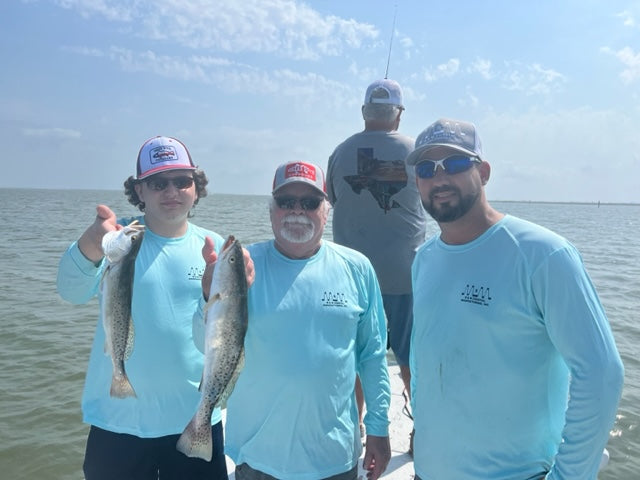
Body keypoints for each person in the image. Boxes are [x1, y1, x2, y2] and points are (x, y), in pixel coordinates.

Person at [406, 118, 625, 479]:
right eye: (427, 168)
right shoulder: (424, 259)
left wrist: (568, 475)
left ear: (485, 172)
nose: (439, 178)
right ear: (417, 181)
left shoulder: (545, 254)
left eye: (456, 164)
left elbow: (601, 372)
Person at [57, 136, 254, 480]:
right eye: (158, 183)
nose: (172, 191)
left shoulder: (215, 249)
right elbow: (71, 292)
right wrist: (91, 243)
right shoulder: (118, 239)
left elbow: (216, 339)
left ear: (196, 187)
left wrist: (213, 296)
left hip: (195, 417)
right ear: (139, 191)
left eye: (182, 181)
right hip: (117, 421)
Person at [219, 161, 391, 480]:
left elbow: (373, 355)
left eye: (310, 203)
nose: (297, 210)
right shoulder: (241, 264)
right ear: (271, 211)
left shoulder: (358, 268)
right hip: (258, 456)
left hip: (334, 457)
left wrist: (379, 429)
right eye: (286, 202)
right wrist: (210, 296)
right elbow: (205, 344)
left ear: (326, 211)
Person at [327, 79, 427, 445]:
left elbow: (332, 198)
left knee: (354, 360)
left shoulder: (339, 152)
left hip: (351, 279)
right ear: (398, 115)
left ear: (364, 112)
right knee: (411, 360)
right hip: (406, 277)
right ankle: (421, 431)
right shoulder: (418, 152)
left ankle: (353, 430)